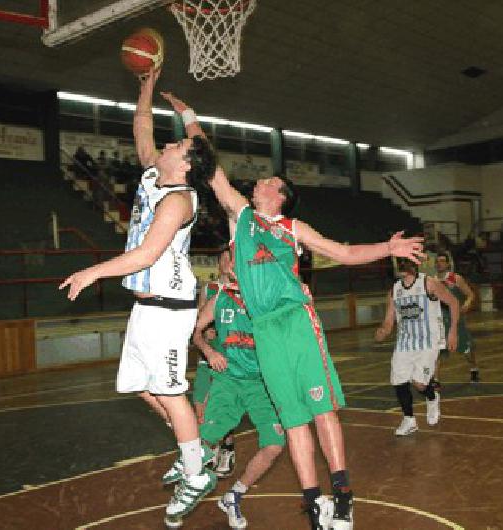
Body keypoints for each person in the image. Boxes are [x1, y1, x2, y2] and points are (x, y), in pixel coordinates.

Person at [162, 92, 425, 530]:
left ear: (279, 195)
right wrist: (189, 117)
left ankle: (342, 496)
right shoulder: (241, 217)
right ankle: (313, 502)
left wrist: (388, 247)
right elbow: (210, 164)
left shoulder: (291, 228)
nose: (258, 183)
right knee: (295, 421)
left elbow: (342, 252)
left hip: (296, 322)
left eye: (267, 181)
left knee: (322, 413)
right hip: (265, 332)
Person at [59, 68, 218, 528]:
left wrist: (92, 272)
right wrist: (145, 92)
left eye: (177, 146)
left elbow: (146, 253)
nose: (166, 146)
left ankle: (195, 473)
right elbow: (142, 131)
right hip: (146, 306)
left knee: (171, 393)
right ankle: (195, 451)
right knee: (141, 387)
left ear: (185, 163)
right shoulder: (154, 177)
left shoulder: (180, 200)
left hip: (170, 309)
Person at [164, 249, 285, 529]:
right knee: (203, 444)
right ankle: (183, 492)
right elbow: (195, 331)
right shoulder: (220, 299)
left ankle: (234, 495)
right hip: (228, 382)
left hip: (260, 385)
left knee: (275, 445)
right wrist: (208, 351)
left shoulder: (266, 301)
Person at [375, 258, 459, 436]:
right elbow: (389, 320)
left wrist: (452, 331)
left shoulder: (429, 283)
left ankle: (431, 396)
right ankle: (409, 419)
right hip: (405, 342)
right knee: (399, 380)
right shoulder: (394, 291)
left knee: (420, 384)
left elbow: (453, 303)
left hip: (429, 341)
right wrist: (383, 331)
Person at [192, 248, 236, 478]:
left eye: (231, 259)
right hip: (207, 354)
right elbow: (199, 318)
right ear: (219, 264)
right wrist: (205, 328)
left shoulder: (241, 290)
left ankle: (226, 447)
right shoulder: (209, 289)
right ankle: (213, 446)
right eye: (223, 259)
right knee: (200, 404)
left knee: (220, 404)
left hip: (229, 355)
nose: (227, 262)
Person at [434, 253, 480, 384]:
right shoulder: (432, 281)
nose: (439, 263)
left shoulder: (456, 278)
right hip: (440, 320)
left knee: (466, 349)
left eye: (442, 261)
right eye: (437, 261)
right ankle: (435, 379)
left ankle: (474, 368)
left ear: (448, 264)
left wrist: (466, 303)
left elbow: (470, 294)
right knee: (437, 350)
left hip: (455, 319)